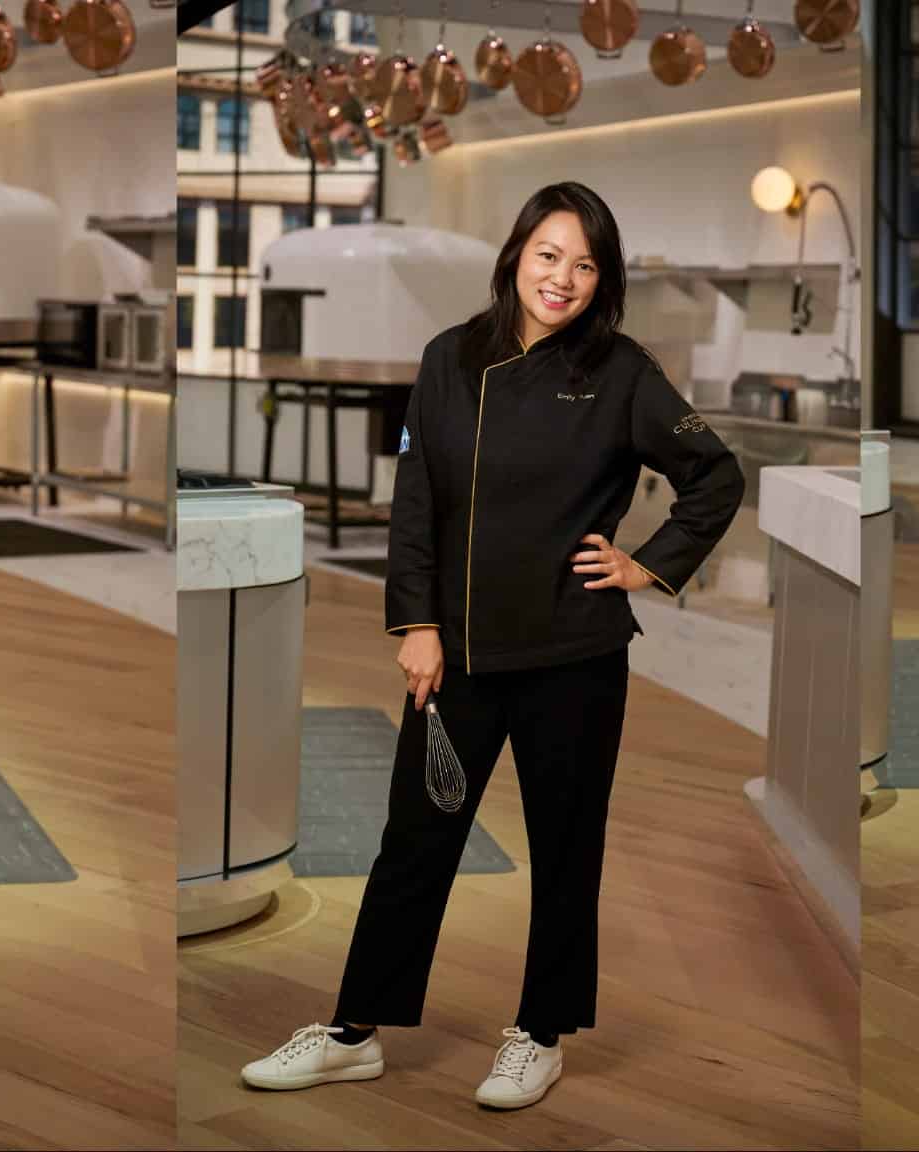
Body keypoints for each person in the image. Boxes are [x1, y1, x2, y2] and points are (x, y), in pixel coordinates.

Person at [240, 182, 745, 1108]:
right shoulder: (448, 360)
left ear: (605, 280)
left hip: (576, 657)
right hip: (458, 658)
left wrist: (646, 567)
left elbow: (714, 474)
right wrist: (418, 624)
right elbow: (417, 504)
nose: (565, 278)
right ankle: (355, 1030)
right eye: (550, 255)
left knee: (566, 850)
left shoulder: (622, 371)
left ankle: (540, 1035)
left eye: (587, 264)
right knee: (413, 844)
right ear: (516, 255)